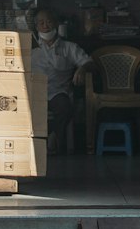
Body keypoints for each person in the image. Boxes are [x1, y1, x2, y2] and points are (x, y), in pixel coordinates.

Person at [31, 8, 94, 154]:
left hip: (57, 92)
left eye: (49, 22)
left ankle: (54, 137)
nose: (46, 26)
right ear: (36, 27)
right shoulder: (31, 48)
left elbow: (90, 63)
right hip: (33, 91)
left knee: (64, 107)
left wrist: (82, 69)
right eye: (41, 23)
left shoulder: (69, 47)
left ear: (56, 24)